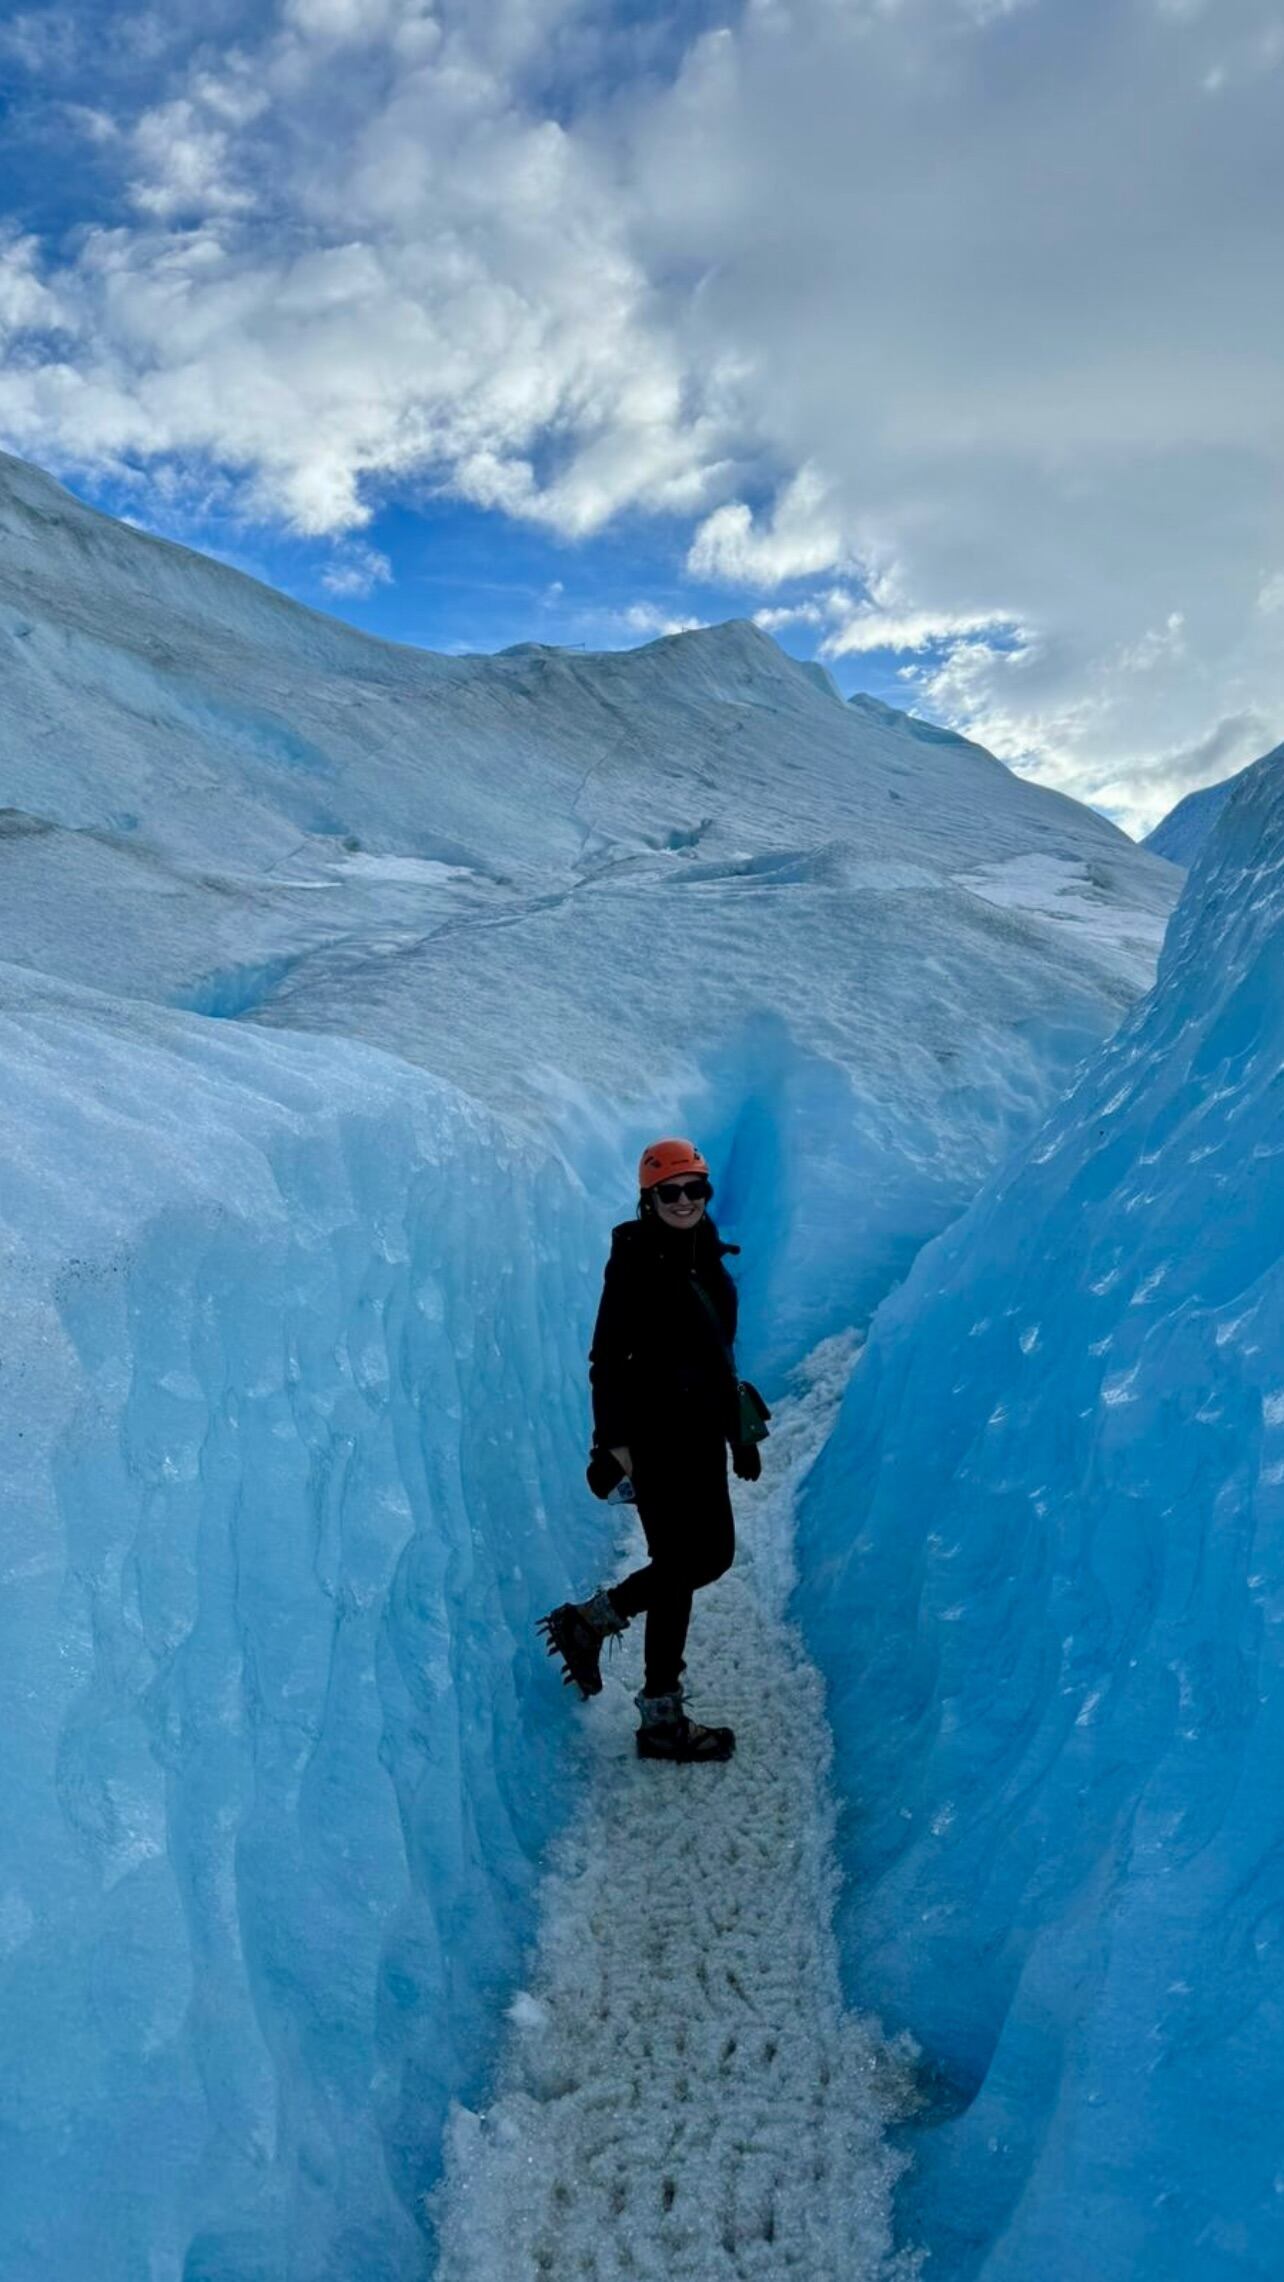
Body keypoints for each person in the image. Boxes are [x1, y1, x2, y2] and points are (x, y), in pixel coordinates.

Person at [540, 1138, 763, 1763]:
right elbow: (606, 1360)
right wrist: (611, 1443)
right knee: (686, 1565)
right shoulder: (636, 1263)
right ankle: (658, 1716)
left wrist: (738, 1433)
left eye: (696, 1188)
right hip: (654, 1441)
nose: (685, 1201)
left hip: (699, 1437)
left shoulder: (709, 1258)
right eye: (671, 1192)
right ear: (649, 1198)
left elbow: (718, 1359)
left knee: (703, 1560)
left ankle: (593, 1623)